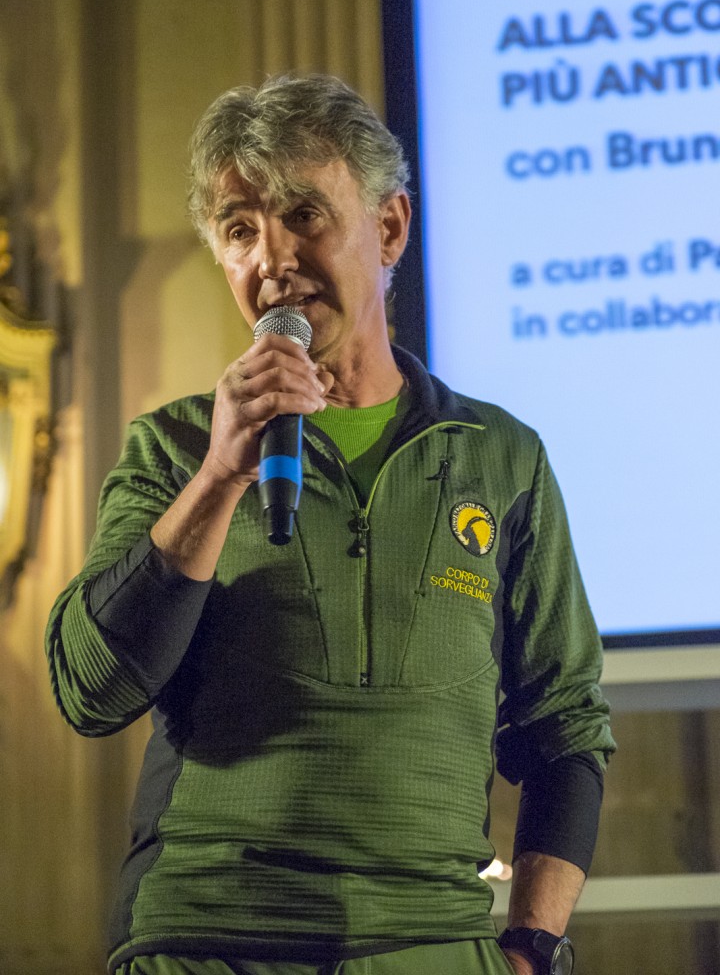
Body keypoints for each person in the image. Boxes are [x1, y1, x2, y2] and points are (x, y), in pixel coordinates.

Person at [46, 74, 615, 975]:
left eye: (303, 214)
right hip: (207, 940)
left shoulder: (504, 459)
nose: (272, 258)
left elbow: (566, 729)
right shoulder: (175, 449)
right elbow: (90, 691)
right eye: (240, 229)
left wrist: (533, 947)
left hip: (433, 941)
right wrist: (221, 475)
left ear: (389, 228)